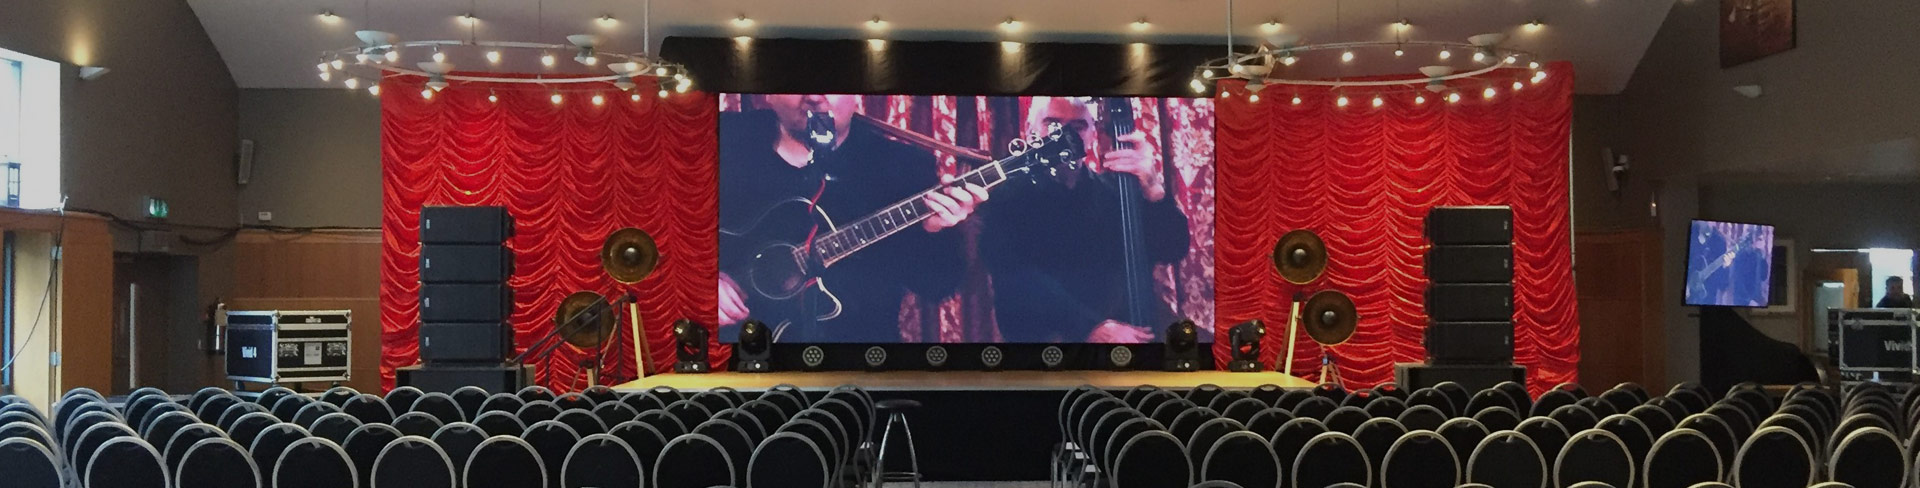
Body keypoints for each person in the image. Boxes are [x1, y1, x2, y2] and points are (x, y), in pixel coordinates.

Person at [717, 94, 985, 342]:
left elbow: (936, 286)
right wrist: (701, 281)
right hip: (740, 348)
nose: (814, 97)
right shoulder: (722, 139)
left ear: (856, 95)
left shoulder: (902, 164)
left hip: (859, 350)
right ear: (768, 95)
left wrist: (935, 231)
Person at [981, 97, 1192, 343]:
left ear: (1092, 134)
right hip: (1048, 343)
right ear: (1030, 131)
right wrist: (1089, 327)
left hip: (1131, 337)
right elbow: (1014, 278)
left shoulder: (1117, 191)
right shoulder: (1007, 196)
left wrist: (1153, 188)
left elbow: (1172, 249)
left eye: (1078, 126)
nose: (1064, 135)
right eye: (1052, 123)